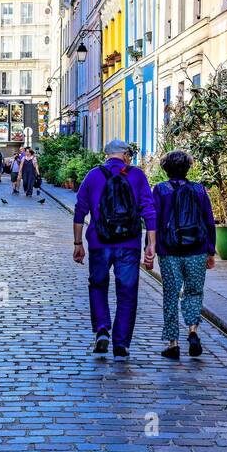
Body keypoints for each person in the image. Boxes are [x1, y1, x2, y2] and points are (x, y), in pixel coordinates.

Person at [72, 140, 156, 358]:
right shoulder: (136, 176)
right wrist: (152, 243)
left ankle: (101, 331)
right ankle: (121, 343)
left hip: (100, 241)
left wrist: (78, 243)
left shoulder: (93, 175)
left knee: (98, 285)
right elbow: (148, 209)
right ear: (126, 155)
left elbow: (80, 210)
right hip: (128, 243)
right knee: (127, 292)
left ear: (106, 155)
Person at [146, 150, 216, 359]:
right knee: (194, 292)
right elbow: (209, 222)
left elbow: (153, 222)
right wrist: (210, 251)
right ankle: (193, 331)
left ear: (166, 169)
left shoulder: (160, 190)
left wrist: (149, 247)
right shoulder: (199, 190)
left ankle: (173, 344)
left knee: (171, 294)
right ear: (188, 168)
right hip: (196, 249)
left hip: (169, 251)